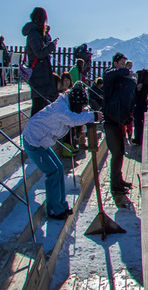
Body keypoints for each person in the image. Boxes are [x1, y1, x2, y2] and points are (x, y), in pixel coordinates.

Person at [22, 83, 101, 220]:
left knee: (58, 168)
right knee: (52, 172)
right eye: (82, 107)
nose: (83, 110)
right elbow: (73, 119)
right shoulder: (61, 109)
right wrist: (93, 116)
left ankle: (61, 205)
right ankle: (53, 209)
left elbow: (74, 118)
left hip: (41, 142)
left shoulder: (65, 105)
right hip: (33, 142)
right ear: (76, 104)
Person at [102, 52, 136, 193]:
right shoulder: (109, 75)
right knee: (116, 152)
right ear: (115, 63)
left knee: (120, 151)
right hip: (110, 120)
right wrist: (124, 70)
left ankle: (119, 179)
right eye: (121, 64)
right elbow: (109, 74)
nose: (123, 67)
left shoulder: (119, 79)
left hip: (117, 119)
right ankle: (115, 185)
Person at [21, 7, 59, 115]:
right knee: (38, 106)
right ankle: (32, 130)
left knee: (43, 105)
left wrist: (47, 37)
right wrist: (51, 46)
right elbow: (38, 53)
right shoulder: (33, 33)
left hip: (42, 74)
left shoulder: (37, 32)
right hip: (38, 74)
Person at [133, 62, 148, 146]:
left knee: (144, 120)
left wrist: (142, 85)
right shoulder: (140, 73)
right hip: (137, 99)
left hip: (145, 101)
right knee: (137, 119)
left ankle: (143, 138)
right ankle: (137, 138)